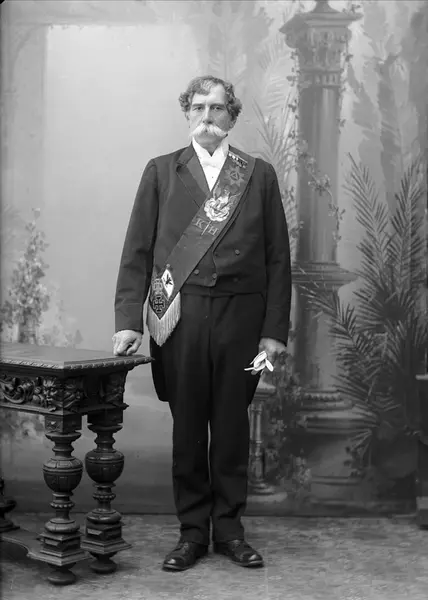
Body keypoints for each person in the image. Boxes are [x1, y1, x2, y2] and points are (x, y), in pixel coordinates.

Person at [113, 75, 292, 572]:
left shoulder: (258, 175)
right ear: (187, 113)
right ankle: (192, 533)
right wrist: (129, 320)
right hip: (181, 317)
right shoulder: (161, 171)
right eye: (198, 107)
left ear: (232, 116)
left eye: (217, 108)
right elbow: (137, 251)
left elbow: (278, 258)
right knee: (188, 427)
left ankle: (230, 531)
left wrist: (274, 331)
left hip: (243, 320)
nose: (207, 116)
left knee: (232, 427)